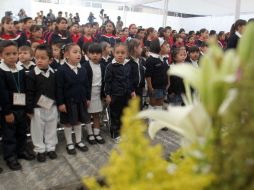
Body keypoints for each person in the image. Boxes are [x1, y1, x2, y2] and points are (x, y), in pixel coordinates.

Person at [0, 40, 35, 171]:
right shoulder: (1, 71)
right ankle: (10, 156)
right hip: (9, 109)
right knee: (9, 134)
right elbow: (2, 94)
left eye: (14, 53)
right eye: (7, 54)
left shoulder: (20, 69)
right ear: (1, 56)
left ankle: (20, 151)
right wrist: (7, 112)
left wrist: (27, 108)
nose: (12, 56)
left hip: (21, 106)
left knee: (21, 131)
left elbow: (24, 89)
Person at [26, 44, 58, 162]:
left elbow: (56, 90)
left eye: (43, 58)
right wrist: (29, 109)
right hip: (37, 108)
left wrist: (58, 104)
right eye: (37, 57)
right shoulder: (31, 74)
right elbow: (29, 93)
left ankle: (51, 147)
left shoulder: (54, 73)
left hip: (52, 107)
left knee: (51, 127)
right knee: (37, 130)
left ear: (50, 60)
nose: (39, 60)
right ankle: (40, 149)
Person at [56, 43, 90, 155]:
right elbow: (59, 88)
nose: (78, 54)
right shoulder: (61, 70)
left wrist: (88, 98)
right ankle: (69, 142)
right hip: (68, 102)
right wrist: (60, 103)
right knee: (68, 123)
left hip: (80, 100)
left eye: (79, 52)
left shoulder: (83, 69)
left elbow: (86, 85)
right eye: (74, 52)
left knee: (78, 121)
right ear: (66, 54)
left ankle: (78, 141)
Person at [104, 43, 136, 143]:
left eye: (123, 53)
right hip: (115, 95)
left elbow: (130, 79)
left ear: (127, 54)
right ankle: (115, 134)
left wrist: (132, 91)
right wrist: (107, 94)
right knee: (115, 115)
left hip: (126, 94)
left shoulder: (128, 64)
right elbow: (107, 81)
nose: (120, 55)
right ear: (113, 53)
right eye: (117, 52)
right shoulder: (110, 66)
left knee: (125, 114)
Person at [84, 43, 106, 144]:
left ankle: (97, 133)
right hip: (89, 94)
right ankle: (90, 134)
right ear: (88, 54)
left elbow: (105, 82)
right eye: (92, 53)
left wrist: (104, 95)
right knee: (88, 115)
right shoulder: (84, 66)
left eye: (97, 53)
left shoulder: (103, 66)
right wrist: (85, 97)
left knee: (97, 114)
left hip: (98, 93)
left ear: (101, 55)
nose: (95, 55)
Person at [145, 38, 170, 111]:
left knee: (160, 104)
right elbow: (148, 75)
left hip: (163, 86)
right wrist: (150, 87)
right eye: (165, 45)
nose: (167, 47)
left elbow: (167, 71)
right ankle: (151, 121)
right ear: (160, 47)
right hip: (155, 87)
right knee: (153, 104)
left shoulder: (164, 58)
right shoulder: (151, 59)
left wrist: (168, 82)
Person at [127, 38, 145, 104]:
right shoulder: (128, 62)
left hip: (139, 89)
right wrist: (132, 91)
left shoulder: (140, 60)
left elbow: (141, 74)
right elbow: (128, 78)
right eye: (140, 47)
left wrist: (143, 85)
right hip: (132, 91)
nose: (142, 49)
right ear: (135, 48)